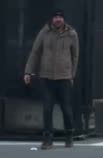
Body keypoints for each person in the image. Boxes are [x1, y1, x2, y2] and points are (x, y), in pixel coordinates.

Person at [23, 9, 79, 150]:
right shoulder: (44, 32)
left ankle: (69, 135)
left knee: (66, 109)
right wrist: (28, 72)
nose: (58, 19)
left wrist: (72, 74)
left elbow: (75, 56)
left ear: (64, 19)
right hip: (46, 76)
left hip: (64, 77)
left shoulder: (72, 34)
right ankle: (47, 139)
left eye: (60, 17)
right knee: (47, 109)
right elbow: (35, 52)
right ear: (52, 19)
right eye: (55, 17)